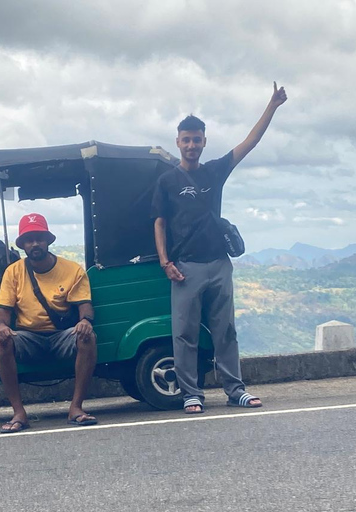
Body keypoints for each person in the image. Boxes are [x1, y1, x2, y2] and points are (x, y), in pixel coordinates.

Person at [152, 82, 288, 414]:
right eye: (186, 139)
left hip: (219, 263)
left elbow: (250, 142)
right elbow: (159, 222)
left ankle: (235, 389)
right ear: (178, 142)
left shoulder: (215, 170)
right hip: (185, 267)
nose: (191, 145)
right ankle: (191, 393)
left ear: (204, 142)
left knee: (225, 330)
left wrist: (271, 106)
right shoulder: (167, 181)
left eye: (197, 139)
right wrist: (165, 261)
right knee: (184, 335)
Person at [0, 213, 98, 433]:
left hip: (62, 336)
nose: (35, 244)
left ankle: (76, 408)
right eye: (29, 240)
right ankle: (19, 412)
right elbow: (3, 312)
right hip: (28, 336)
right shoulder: (13, 272)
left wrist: (86, 321)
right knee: (2, 342)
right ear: (22, 245)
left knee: (88, 337)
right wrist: (2, 327)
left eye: (39, 238)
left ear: (48, 240)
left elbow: (85, 306)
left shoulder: (72, 269)